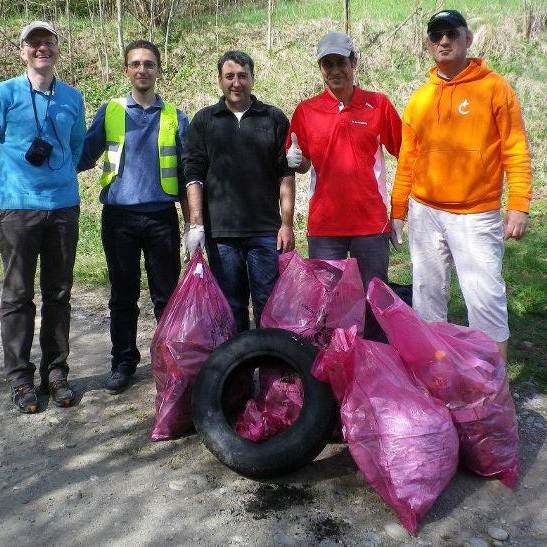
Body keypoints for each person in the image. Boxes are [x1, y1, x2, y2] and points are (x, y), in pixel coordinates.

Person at [390, 9, 532, 361]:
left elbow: (515, 148)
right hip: (425, 213)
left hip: (476, 214)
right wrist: (398, 209)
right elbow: (407, 159)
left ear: (467, 39)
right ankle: (436, 378)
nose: (444, 41)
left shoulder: (494, 89)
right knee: (427, 299)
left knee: (485, 300)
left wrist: (518, 203)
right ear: (427, 45)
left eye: (451, 34)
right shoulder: (420, 99)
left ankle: (492, 387)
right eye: (436, 36)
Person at [0, 21, 86, 414]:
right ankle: (21, 379)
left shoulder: (72, 97)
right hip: (17, 210)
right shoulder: (1, 95)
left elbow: (75, 149)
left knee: (59, 293)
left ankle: (56, 373)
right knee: (18, 295)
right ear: (21, 51)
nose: (42, 49)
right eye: (34, 44)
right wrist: (3, 190)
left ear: (57, 50)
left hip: (63, 208)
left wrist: (60, 184)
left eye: (48, 43)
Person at [78, 40, 189, 395]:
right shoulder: (109, 112)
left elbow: (188, 175)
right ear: (126, 70)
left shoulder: (174, 116)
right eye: (136, 64)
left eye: (149, 64)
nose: (142, 69)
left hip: (161, 218)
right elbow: (82, 156)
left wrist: (193, 224)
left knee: (166, 296)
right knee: (123, 296)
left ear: (158, 70)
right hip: (119, 219)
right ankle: (123, 362)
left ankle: (169, 362)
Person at [286, 32, 402, 340]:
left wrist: (403, 209)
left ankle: (379, 363)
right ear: (320, 69)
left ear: (354, 63)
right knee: (326, 301)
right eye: (328, 64)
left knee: (376, 300)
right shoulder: (306, 111)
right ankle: (333, 368)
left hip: (371, 223)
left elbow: (406, 152)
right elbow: (303, 165)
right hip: (325, 226)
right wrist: (295, 160)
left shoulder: (378, 105)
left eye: (341, 63)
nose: (335, 71)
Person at [182, 50, 295, 332]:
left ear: (252, 79)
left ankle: (272, 373)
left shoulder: (273, 118)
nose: (236, 82)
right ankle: (239, 373)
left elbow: (286, 173)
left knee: (269, 304)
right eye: (229, 76)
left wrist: (287, 223)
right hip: (222, 235)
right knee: (231, 306)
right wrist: (196, 225)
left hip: (266, 232)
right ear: (219, 80)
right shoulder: (205, 121)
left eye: (242, 76)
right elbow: (193, 173)